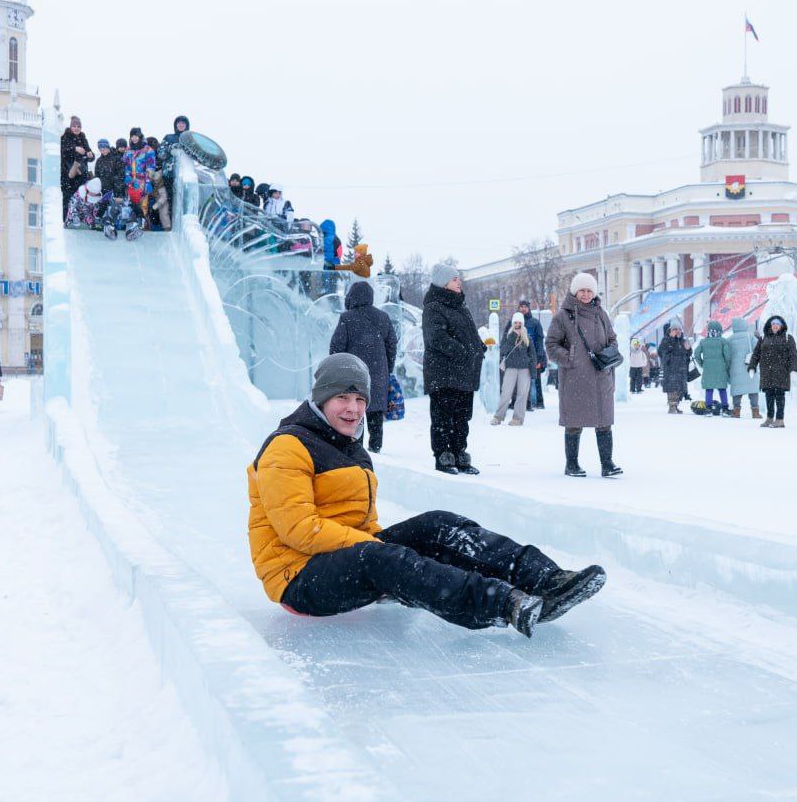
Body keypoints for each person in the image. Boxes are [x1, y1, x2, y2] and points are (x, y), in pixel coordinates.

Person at [247, 353, 607, 637]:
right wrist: (383, 553)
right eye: (342, 397)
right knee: (382, 557)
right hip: (297, 578)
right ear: (321, 398)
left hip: (350, 556)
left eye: (359, 399)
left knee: (437, 524)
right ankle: (503, 603)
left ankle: (545, 579)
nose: (353, 409)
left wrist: (390, 551)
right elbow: (300, 529)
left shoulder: (351, 448)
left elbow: (363, 523)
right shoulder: (288, 446)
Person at [546, 273, 622, 477]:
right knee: (574, 423)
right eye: (582, 290)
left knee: (604, 422)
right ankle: (571, 465)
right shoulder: (563, 316)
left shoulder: (601, 313)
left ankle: (607, 464)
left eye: (589, 291)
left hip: (601, 375)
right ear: (575, 291)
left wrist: (609, 353)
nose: (586, 294)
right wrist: (570, 358)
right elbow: (551, 345)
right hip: (575, 378)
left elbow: (613, 338)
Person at [422, 264, 486, 474]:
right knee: (443, 418)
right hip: (443, 374)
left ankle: (459, 454)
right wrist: (463, 351)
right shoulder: (433, 307)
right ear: (444, 283)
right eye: (454, 279)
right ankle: (443, 457)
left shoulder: (460, 306)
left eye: (458, 278)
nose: (459, 282)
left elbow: (468, 334)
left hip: (463, 374)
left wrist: (478, 346)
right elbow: (436, 338)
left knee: (461, 418)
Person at [329, 279, 397, 454]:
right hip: (378, 374)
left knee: (354, 411)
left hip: (353, 374)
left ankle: (355, 448)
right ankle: (375, 448)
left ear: (351, 297)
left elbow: (336, 347)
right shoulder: (383, 317)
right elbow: (392, 345)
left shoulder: (347, 318)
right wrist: (387, 369)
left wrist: (337, 370)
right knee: (375, 413)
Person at [748, 315, 797, 428]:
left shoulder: (788, 338)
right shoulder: (763, 338)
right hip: (767, 373)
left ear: (781, 326)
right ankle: (770, 418)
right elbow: (756, 354)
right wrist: (752, 366)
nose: (775, 326)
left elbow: (793, 355)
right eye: (773, 324)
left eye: (777, 324)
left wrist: (794, 369)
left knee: (780, 396)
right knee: (769, 395)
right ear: (770, 326)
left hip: (781, 372)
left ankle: (780, 419)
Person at [493, 313, 535, 426]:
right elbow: (503, 350)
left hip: (525, 369)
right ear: (512, 324)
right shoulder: (508, 336)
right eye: (515, 322)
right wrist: (512, 337)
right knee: (506, 393)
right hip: (511, 367)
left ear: (522, 323)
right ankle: (498, 417)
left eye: (519, 322)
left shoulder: (527, 337)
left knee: (522, 394)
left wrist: (533, 372)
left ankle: (518, 419)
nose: (517, 324)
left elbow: (532, 355)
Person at [693, 320, 732, 414]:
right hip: (721, 369)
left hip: (708, 369)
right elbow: (728, 356)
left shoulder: (703, 342)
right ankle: (725, 409)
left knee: (709, 389)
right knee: (722, 389)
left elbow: (696, 354)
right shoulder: (723, 341)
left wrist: (702, 364)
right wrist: (726, 365)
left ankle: (708, 409)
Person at [725, 317, 761, 419]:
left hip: (735, 369)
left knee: (737, 390)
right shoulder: (751, 337)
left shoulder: (729, 340)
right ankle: (755, 412)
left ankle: (736, 411)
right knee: (753, 389)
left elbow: (727, 355)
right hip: (750, 367)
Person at [516, 300, 546, 410]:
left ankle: (537, 402)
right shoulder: (514, 322)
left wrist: (539, 358)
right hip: (518, 356)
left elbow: (539, 341)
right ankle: (522, 402)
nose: (523, 309)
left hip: (533, 355)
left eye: (525, 307)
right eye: (521, 306)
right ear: (518, 308)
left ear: (529, 308)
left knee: (535, 380)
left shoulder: (535, 323)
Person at [60, 115, 93, 214]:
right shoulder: (65, 136)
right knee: (68, 199)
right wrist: (74, 149)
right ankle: (66, 218)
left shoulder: (83, 138)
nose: (76, 128)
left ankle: (79, 217)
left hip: (81, 175)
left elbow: (89, 154)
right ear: (70, 127)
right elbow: (62, 150)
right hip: (68, 174)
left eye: (78, 126)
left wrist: (90, 155)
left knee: (81, 199)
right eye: (74, 126)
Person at [658, 321, 691, 413]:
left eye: (679, 329)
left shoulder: (683, 340)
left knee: (679, 389)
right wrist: (671, 339)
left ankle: (676, 406)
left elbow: (687, 355)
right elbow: (662, 352)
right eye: (675, 329)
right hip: (671, 368)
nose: (678, 331)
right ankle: (672, 406)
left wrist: (689, 349)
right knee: (672, 388)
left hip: (681, 369)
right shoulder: (666, 339)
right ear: (671, 330)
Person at [122, 128, 156, 218]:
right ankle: (133, 221)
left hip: (142, 182)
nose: (134, 138)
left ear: (140, 136)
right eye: (132, 136)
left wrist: (148, 181)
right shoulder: (128, 150)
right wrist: (127, 175)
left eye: (136, 136)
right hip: (131, 181)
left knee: (143, 204)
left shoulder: (147, 149)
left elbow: (151, 167)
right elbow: (126, 164)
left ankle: (143, 222)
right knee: (131, 203)